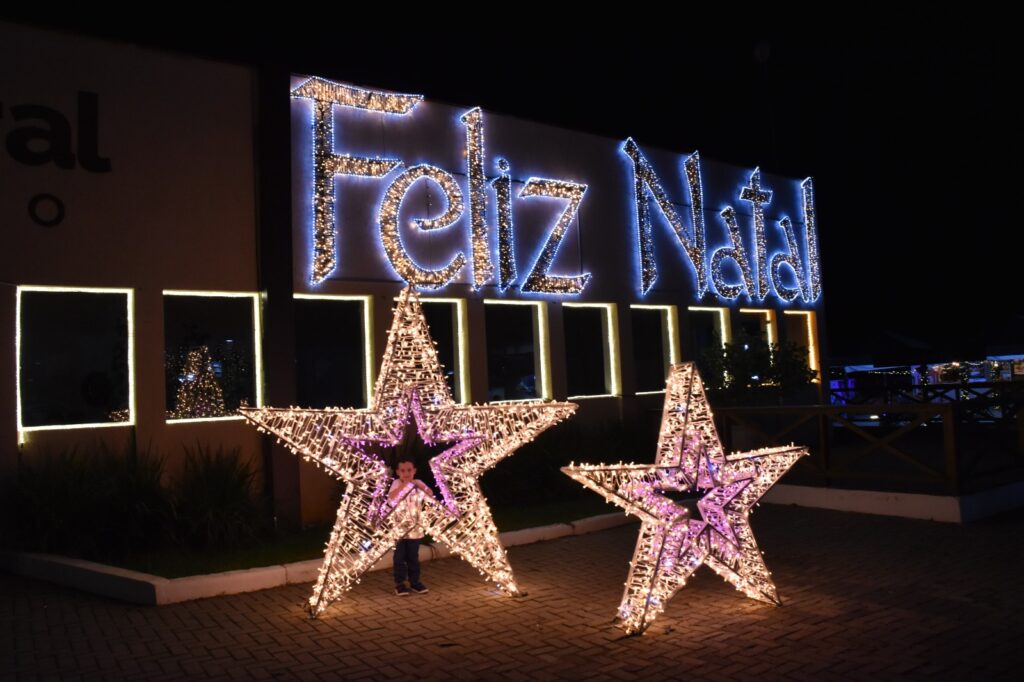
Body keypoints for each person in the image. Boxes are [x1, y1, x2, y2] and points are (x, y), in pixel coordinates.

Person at [388, 457, 432, 596]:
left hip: (415, 529)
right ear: (397, 472)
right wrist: (404, 485)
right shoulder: (396, 483)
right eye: (403, 471)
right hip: (399, 529)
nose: (406, 473)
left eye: (409, 470)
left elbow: (430, 494)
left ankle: (415, 582)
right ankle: (400, 584)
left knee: (413, 557)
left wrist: (419, 485)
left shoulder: (418, 483)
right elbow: (392, 497)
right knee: (399, 558)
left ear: (414, 471)